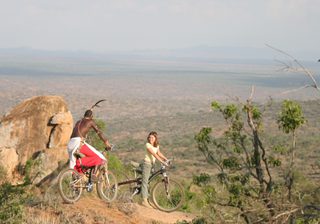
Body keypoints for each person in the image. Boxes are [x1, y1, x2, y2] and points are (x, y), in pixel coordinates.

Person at [67, 108, 111, 181]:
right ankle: (93, 175)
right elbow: (99, 132)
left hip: (70, 144)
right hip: (78, 143)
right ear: (91, 116)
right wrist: (106, 143)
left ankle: (76, 181)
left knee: (76, 163)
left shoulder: (78, 122)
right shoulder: (90, 121)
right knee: (100, 157)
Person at [141, 131, 169, 208]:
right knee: (145, 182)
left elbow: (158, 153)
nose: (150, 139)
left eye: (152, 137)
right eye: (149, 137)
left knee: (148, 182)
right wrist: (162, 161)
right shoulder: (147, 145)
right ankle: (144, 201)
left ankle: (148, 200)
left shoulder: (156, 146)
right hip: (146, 164)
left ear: (155, 138)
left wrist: (166, 159)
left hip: (152, 165)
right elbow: (154, 154)